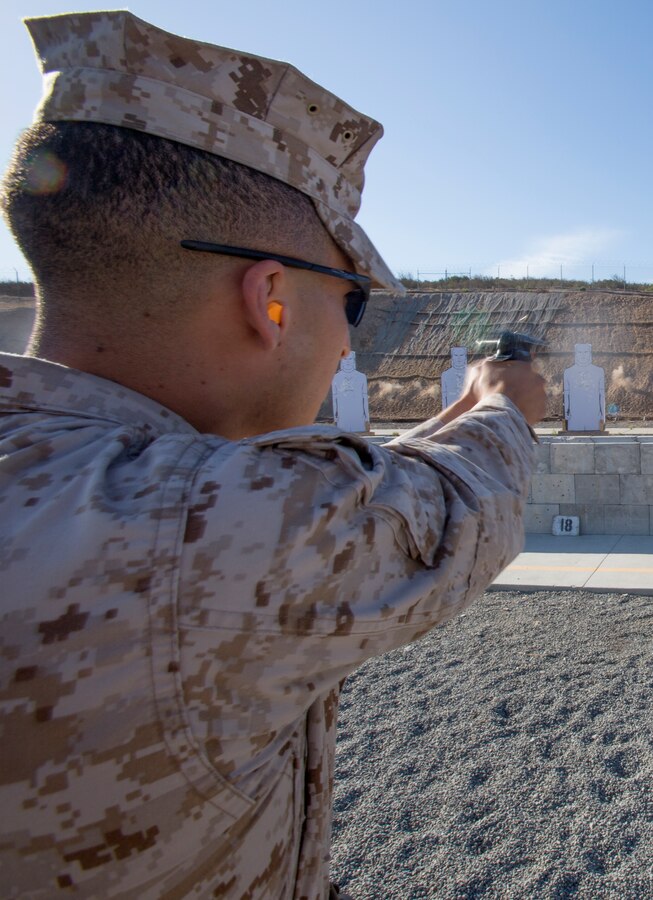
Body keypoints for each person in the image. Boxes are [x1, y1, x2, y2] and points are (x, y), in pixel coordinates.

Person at [0, 11, 546, 899]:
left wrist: (459, 416)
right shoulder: (192, 527)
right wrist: (502, 409)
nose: (343, 348)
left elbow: (302, 501)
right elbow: (438, 515)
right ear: (271, 300)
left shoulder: (103, 485)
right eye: (351, 305)